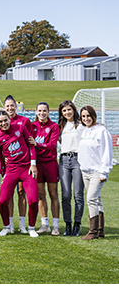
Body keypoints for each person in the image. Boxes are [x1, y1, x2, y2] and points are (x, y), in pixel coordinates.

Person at [0, 109, 40, 238]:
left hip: (26, 169)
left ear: (9, 119)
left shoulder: (20, 127)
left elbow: (31, 145)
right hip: (11, 170)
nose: (3, 123)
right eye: (0, 122)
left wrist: (33, 164)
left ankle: (31, 227)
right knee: (2, 200)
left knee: (33, 200)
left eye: (5, 120)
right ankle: (7, 227)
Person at [78, 105, 113, 240]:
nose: (86, 119)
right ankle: (100, 230)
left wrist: (104, 172)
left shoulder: (102, 131)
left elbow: (106, 152)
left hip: (97, 172)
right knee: (97, 200)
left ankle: (92, 232)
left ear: (93, 116)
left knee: (91, 199)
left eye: (88, 116)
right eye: (83, 116)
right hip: (85, 171)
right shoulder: (85, 131)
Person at [3, 95, 33, 233]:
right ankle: (10, 224)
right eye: (7, 106)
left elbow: (30, 142)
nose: (10, 108)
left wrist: (32, 162)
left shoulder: (24, 121)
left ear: (16, 106)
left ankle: (22, 224)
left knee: (21, 192)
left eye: (12, 105)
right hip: (8, 165)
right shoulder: (1, 121)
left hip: (23, 164)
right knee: (8, 195)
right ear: (4, 108)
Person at [32, 102, 61, 235]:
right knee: (40, 195)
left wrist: (37, 143)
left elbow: (51, 145)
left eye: (44, 111)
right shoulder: (32, 126)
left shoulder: (54, 126)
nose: (42, 113)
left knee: (53, 194)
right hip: (37, 164)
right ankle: (45, 224)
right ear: (36, 112)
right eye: (40, 111)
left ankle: (55, 225)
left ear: (48, 112)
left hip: (50, 164)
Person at [57, 100, 85, 236]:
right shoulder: (61, 126)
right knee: (66, 195)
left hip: (77, 160)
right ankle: (67, 225)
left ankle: (77, 225)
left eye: (69, 109)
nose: (67, 112)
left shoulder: (81, 125)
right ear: (61, 113)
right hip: (63, 161)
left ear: (74, 110)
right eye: (64, 110)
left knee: (78, 195)